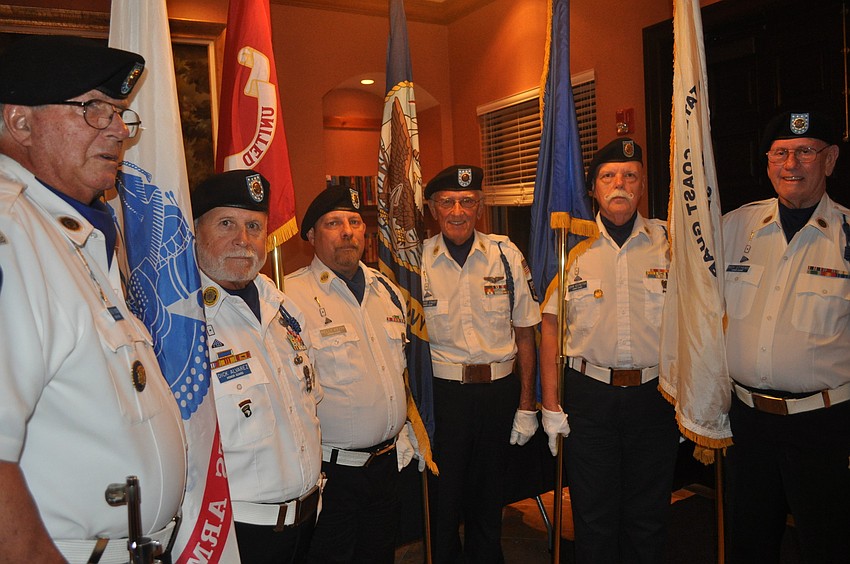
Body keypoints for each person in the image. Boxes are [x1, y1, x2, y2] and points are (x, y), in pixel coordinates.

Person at [0, 35, 186, 563]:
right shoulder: (12, 230)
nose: (119, 131)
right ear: (20, 122)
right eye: (94, 110)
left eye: (121, 115)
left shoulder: (69, 233)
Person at [539, 139, 679, 563]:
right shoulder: (567, 248)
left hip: (655, 396)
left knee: (649, 516)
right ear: (593, 189)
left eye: (630, 175)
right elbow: (549, 328)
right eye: (608, 176)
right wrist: (549, 405)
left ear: (642, 187)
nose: (620, 183)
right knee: (594, 517)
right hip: (590, 400)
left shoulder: (670, 243)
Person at [722, 110, 850, 563]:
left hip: (824, 427)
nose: (791, 163)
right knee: (749, 544)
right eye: (780, 153)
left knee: (828, 544)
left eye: (805, 151)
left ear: (830, 160)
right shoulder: (734, 228)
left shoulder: (847, 235)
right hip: (748, 423)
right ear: (768, 161)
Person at [191, 170, 323, 563]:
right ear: (195, 230)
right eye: (226, 223)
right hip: (235, 535)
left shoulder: (282, 307)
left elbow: (309, 401)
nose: (243, 240)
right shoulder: (184, 322)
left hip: (307, 523)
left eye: (253, 226)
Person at [284, 185, 415, 563]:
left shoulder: (387, 290)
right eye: (333, 223)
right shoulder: (290, 298)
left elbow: (398, 371)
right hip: (333, 476)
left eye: (355, 222)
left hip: (387, 469)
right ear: (311, 235)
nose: (347, 231)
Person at [421, 164, 541, 563]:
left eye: (467, 202)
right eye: (447, 202)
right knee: (445, 499)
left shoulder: (504, 254)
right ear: (433, 209)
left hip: (497, 393)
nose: (458, 211)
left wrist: (526, 403)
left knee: (490, 498)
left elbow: (525, 330)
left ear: (481, 207)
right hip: (445, 396)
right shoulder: (417, 263)